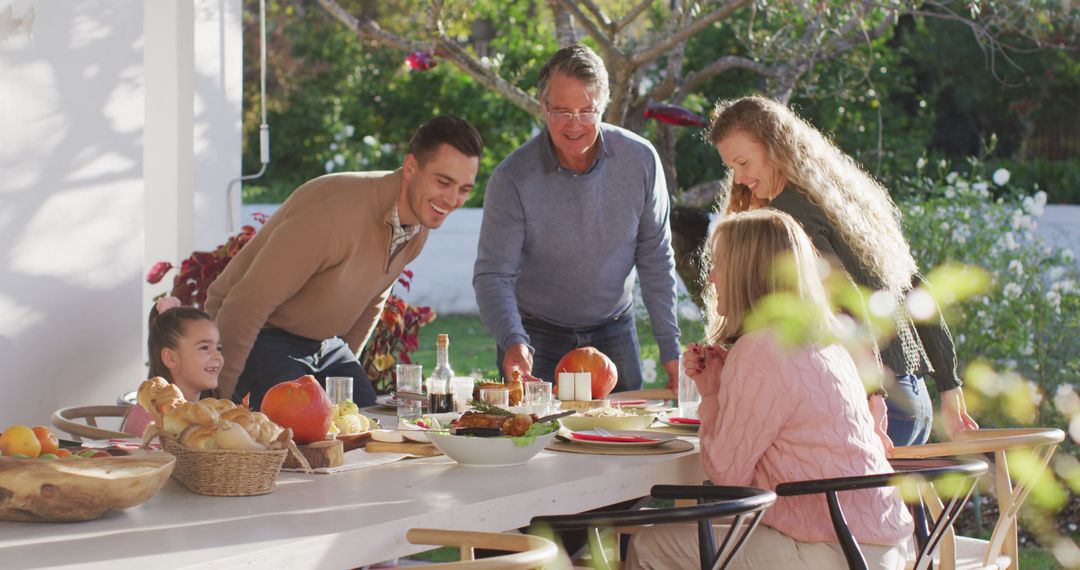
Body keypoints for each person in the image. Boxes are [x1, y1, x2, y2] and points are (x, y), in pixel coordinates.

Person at [626, 209, 913, 570]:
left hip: (834, 551)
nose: (712, 278)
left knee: (650, 544)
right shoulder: (824, 341)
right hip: (882, 545)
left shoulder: (760, 349)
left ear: (747, 275)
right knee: (704, 532)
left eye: (719, 265)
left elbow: (727, 476)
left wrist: (713, 395)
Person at [707, 96, 979, 446]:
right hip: (914, 398)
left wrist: (872, 396)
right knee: (893, 504)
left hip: (876, 403)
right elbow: (914, 288)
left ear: (775, 146)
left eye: (744, 162)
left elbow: (846, 300)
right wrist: (948, 385)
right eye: (733, 168)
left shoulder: (791, 214)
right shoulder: (841, 203)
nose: (741, 179)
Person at [205, 116, 483, 411]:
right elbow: (244, 306)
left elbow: (372, 299)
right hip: (263, 334)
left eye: (464, 189)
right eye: (443, 182)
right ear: (411, 168)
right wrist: (216, 404)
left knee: (368, 423)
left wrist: (341, 375)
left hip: (325, 346)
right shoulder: (332, 215)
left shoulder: (418, 225)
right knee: (304, 432)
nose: (453, 200)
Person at [473, 44, 680, 391]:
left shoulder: (641, 161)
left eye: (587, 111)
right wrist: (513, 340)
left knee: (623, 439)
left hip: (614, 328)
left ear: (604, 106)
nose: (575, 125)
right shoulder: (512, 178)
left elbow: (655, 257)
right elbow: (494, 274)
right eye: (562, 111)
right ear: (543, 105)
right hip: (534, 334)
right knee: (533, 439)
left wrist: (671, 349)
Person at [122, 296, 222, 436]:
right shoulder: (156, 421)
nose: (217, 356)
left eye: (218, 348)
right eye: (204, 347)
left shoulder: (209, 412)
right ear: (170, 358)